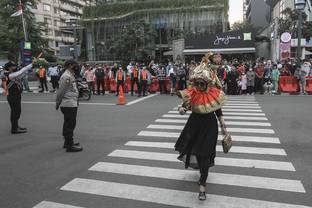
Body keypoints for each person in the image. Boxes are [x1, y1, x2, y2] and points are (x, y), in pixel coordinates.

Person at [175, 53, 227, 201]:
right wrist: (182, 110)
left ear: (207, 83)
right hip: (194, 125)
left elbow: (218, 111)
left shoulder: (213, 94)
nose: (198, 86)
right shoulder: (193, 93)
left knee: (205, 155)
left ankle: (202, 186)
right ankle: (203, 174)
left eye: (201, 84)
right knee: (198, 153)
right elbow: (183, 108)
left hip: (210, 126)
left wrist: (224, 126)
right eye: (196, 83)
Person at [56, 59, 83, 152]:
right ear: (71, 66)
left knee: (69, 124)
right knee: (69, 125)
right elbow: (61, 91)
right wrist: (57, 102)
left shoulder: (71, 75)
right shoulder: (66, 76)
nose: (77, 66)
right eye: (75, 65)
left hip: (71, 103)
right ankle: (69, 146)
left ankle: (67, 142)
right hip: (68, 104)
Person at [2, 61, 33, 134]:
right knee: (15, 112)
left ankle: (16, 126)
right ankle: (14, 129)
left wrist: (28, 69)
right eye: (13, 66)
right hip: (13, 96)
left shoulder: (12, 74)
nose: (15, 67)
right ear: (9, 68)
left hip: (16, 95)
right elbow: (20, 72)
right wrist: (31, 65)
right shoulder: (9, 75)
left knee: (17, 112)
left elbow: (20, 75)